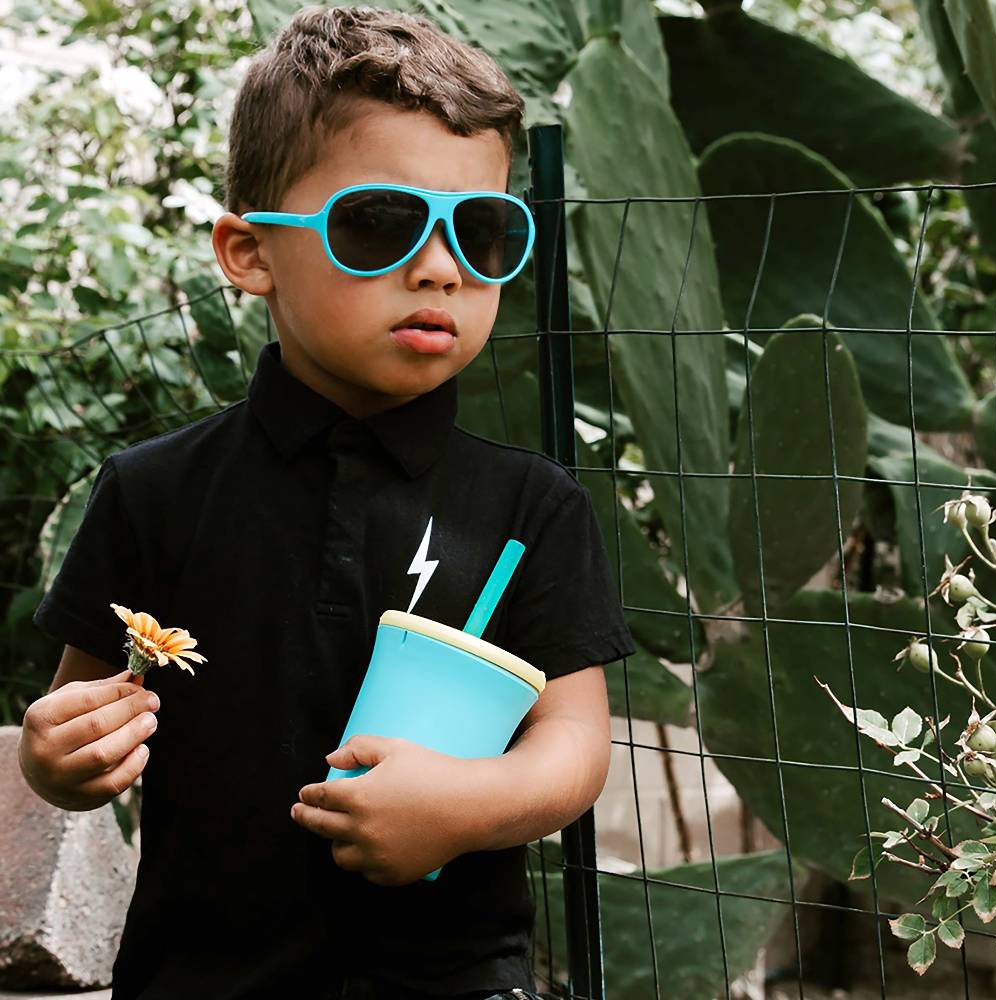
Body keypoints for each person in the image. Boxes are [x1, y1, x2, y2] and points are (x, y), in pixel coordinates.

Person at [18, 6, 637, 999]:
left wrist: (465, 802)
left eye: (480, 231)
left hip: (452, 981)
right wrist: (58, 758)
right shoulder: (154, 492)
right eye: (379, 223)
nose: (439, 266)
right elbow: (77, 709)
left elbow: (574, 746)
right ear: (248, 252)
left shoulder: (532, 506)